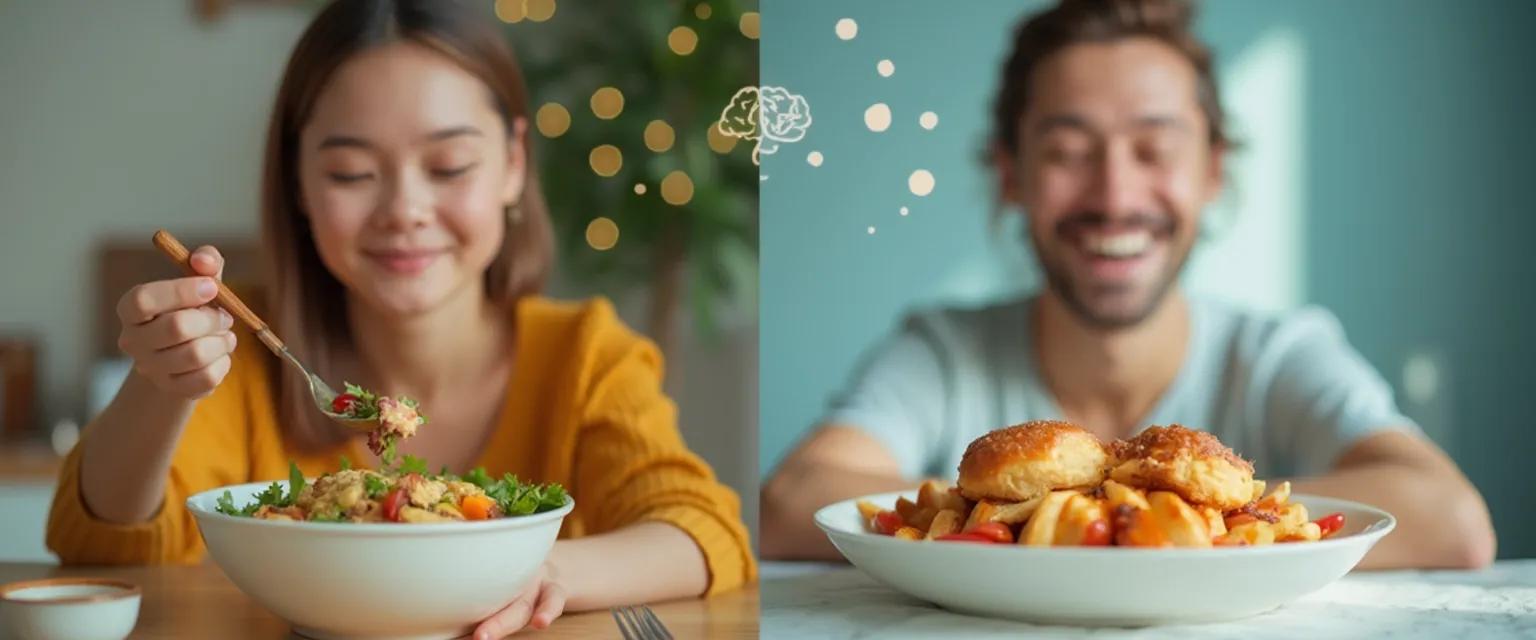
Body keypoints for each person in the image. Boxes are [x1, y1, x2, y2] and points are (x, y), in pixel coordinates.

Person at [46, 1, 754, 636]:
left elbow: (702, 531)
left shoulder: (587, 355)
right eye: (352, 173)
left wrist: (542, 574)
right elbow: (101, 549)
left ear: (512, 163)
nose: (405, 211)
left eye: (448, 166)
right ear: (296, 180)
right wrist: (162, 382)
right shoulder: (243, 348)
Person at [761, 0, 1494, 569]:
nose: (1114, 194)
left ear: (1212, 170)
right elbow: (790, 502)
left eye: (1154, 147)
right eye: (1068, 150)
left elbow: (1454, 521)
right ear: (1011, 173)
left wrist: (1192, 511)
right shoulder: (944, 351)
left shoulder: (1277, 353)